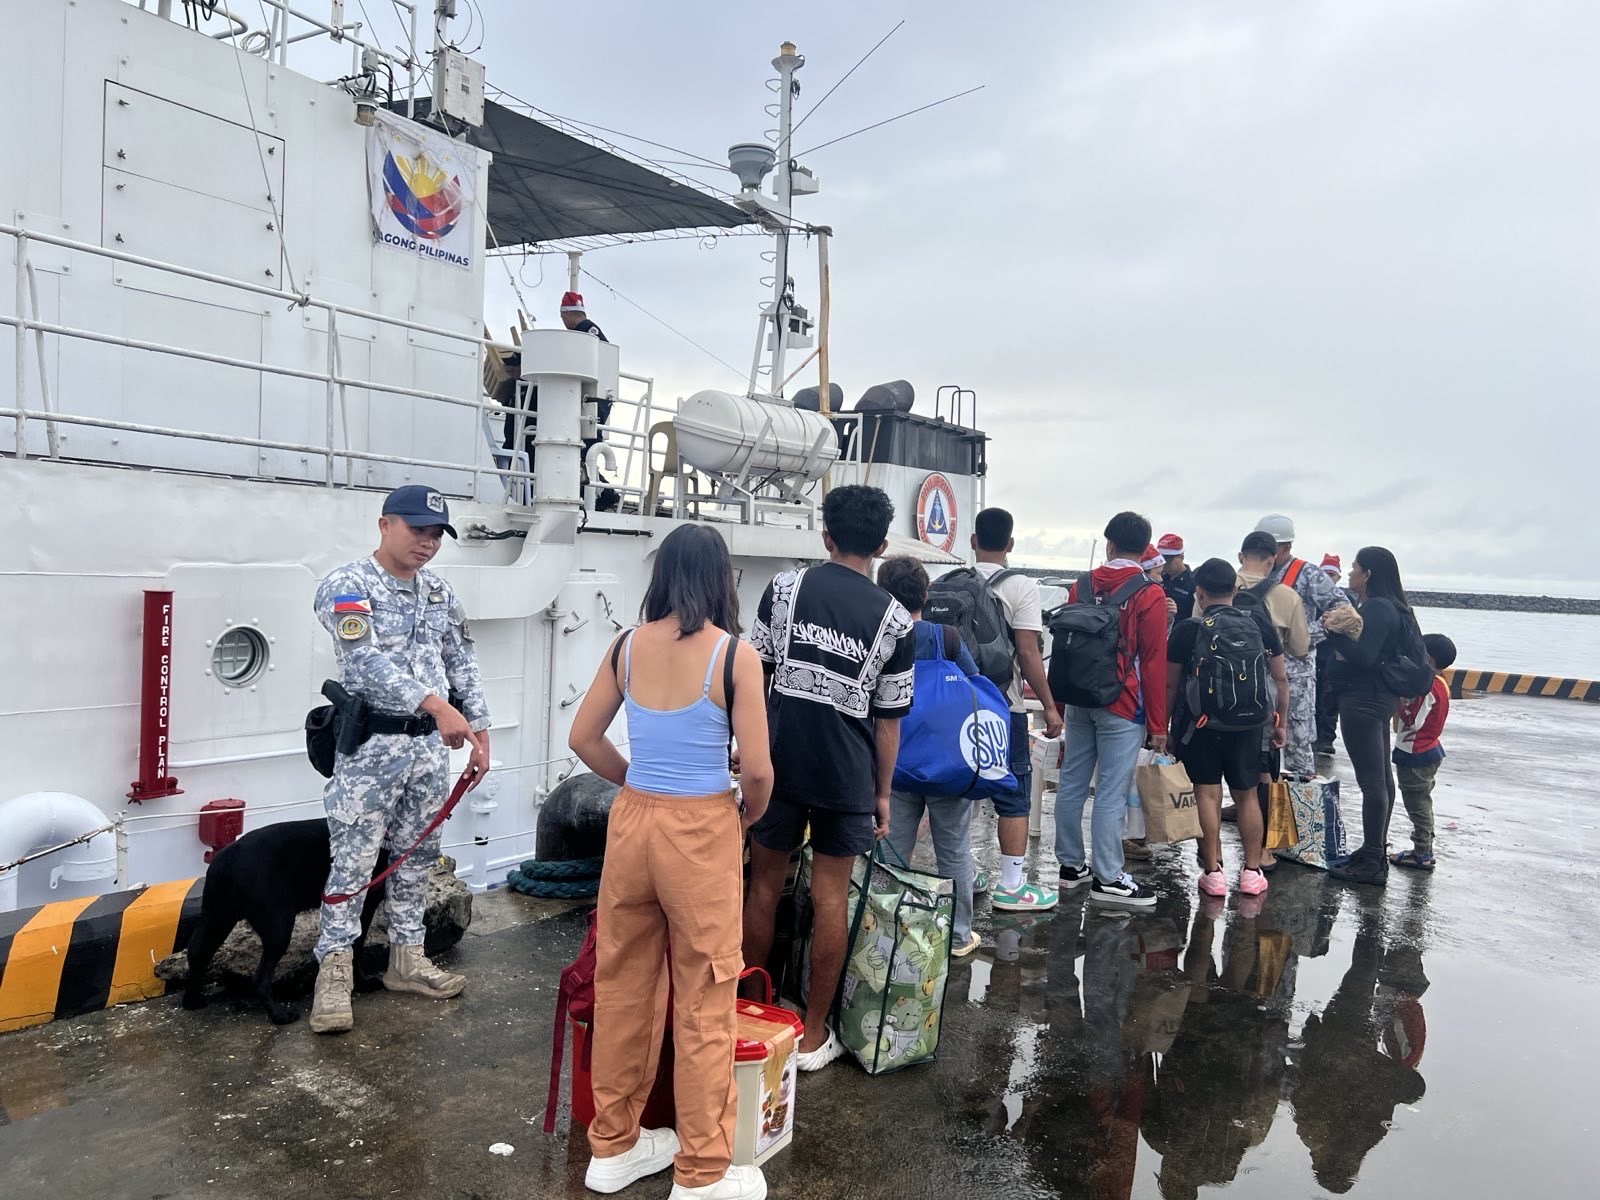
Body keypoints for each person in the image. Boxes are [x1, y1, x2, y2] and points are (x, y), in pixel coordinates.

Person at [568, 524, 773, 1200]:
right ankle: (703, 1171)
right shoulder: (735, 655)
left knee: (624, 985)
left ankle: (614, 1148)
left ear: (661, 576)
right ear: (721, 579)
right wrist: (744, 814)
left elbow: (582, 737)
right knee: (706, 998)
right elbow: (762, 772)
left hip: (633, 824)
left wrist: (635, 783)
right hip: (702, 830)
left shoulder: (625, 646)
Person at [742, 485, 915, 1071]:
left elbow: (754, 678)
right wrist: (883, 793)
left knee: (763, 886)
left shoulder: (784, 590)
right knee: (831, 899)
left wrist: (749, 756)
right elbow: (888, 722)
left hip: (779, 762)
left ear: (826, 536)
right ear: (883, 545)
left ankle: (749, 1011)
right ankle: (813, 1036)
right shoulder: (895, 620)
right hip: (848, 775)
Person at [308, 485, 491, 1034]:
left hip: (430, 750)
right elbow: (361, 662)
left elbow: (462, 659)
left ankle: (406, 959)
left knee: (418, 853)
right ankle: (333, 974)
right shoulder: (346, 586)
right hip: (372, 749)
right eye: (418, 531)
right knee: (354, 860)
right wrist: (436, 705)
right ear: (385, 524)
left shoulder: (438, 592)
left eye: (436, 534)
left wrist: (481, 732)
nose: (428, 543)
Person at [1055, 511, 1168, 908]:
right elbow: (1153, 662)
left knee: (1071, 782)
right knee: (1111, 792)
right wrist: (1159, 723)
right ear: (1144, 548)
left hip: (1078, 699)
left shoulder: (1080, 586)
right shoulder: (1148, 593)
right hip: (1123, 703)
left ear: (1109, 543)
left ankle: (1070, 867)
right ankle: (1108, 877)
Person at [877, 555, 984, 958]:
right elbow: (975, 688)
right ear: (926, 594)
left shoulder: (883, 637)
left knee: (891, 849)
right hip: (948, 765)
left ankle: (883, 926)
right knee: (953, 848)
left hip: (897, 763)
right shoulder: (948, 638)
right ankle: (957, 936)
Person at [1165, 559, 1289, 897]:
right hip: (1250, 725)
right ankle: (1251, 873)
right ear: (1235, 590)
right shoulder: (1259, 624)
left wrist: (1162, 727)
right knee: (1247, 795)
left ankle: (1213, 873)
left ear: (1199, 591)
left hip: (1200, 726)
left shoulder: (1188, 629)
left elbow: (1170, 685)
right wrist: (1281, 724)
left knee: (1206, 793)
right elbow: (1279, 679)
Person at [972, 507, 1063, 912]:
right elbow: (1027, 651)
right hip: (1004, 707)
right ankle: (1011, 886)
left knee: (959, 788)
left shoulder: (953, 581)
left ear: (972, 541)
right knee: (1013, 791)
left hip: (957, 706)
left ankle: (964, 872)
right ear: (1010, 544)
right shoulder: (1021, 586)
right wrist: (1050, 707)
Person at [1324, 546, 1418, 887]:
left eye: (1355, 568)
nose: (1350, 573)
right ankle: (1372, 849)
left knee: (1372, 781)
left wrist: (1333, 633)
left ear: (1369, 574)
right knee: (1381, 777)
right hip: (1381, 698)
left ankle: (1374, 860)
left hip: (1363, 699)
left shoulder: (1377, 607)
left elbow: (1364, 656)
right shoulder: (1397, 607)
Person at [1253, 515, 1351, 777]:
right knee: (1257, 742)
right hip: (1258, 671)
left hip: (1295, 673)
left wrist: (1307, 635)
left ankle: (1300, 811)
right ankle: (1258, 804)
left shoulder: (1308, 575)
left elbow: (1343, 609)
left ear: (1285, 547)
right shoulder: (1254, 572)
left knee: (1297, 741)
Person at [1390, 633, 1456, 872]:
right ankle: (1423, 847)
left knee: (1417, 803)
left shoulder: (1427, 687)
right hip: (1429, 749)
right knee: (1423, 801)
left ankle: (1422, 852)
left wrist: (1399, 699)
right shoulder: (1442, 683)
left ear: (1427, 658)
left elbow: (1412, 721)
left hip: (1415, 751)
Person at [1314, 554, 1347, 753]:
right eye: (1324, 574)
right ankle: (1311, 736)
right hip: (1313, 656)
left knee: (1329, 701)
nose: (1328, 578)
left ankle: (1326, 738)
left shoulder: (1345, 601)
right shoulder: (1311, 597)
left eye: (1332, 574)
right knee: (1311, 699)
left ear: (1338, 578)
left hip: (1334, 659)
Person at [1159, 533, 1195, 622]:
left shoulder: (1192, 583)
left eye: (1168, 560)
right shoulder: (1158, 578)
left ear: (1181, 557)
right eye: (1161, 560)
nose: (1165, 564)